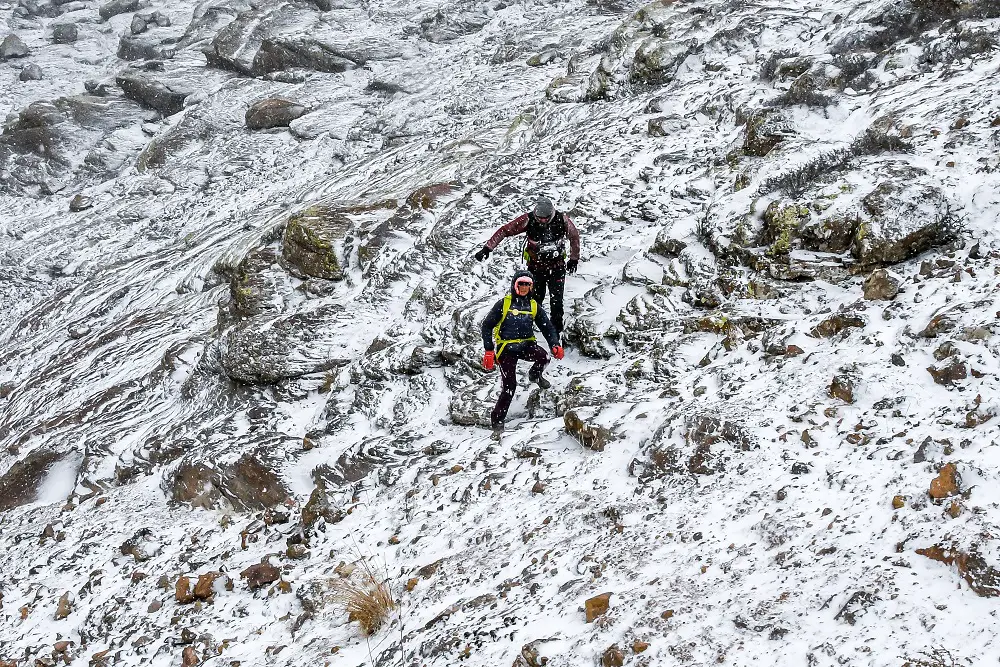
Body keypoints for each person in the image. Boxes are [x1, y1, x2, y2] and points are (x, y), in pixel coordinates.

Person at [473, 196, 580, 335]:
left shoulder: (562, 220)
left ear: (552, 213)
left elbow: (574, 236)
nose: (542, 220)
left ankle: (556, 331)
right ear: (535, 213)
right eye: (539, 217)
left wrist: (574, 258)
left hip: (557, 267)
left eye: (546, 218)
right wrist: (487, 248)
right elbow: (505, 230)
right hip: (536, 268)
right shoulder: (528, 220)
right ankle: (530, 328)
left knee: (557, 300)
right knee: (535, 299)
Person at [481, 270, 564, 440]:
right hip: (506, 350)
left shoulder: (533, 306)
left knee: (544, 357)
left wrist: (554, 344)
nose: (524, 287)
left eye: (528, 284)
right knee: (509, 387)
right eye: (521, 284)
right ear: (515, 285)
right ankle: (497, 422)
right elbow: (487, 325)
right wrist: (489, 350)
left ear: (531, 286)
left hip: (526, 345)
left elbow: (547, 327)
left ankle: (535, 375)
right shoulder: (504, 304)